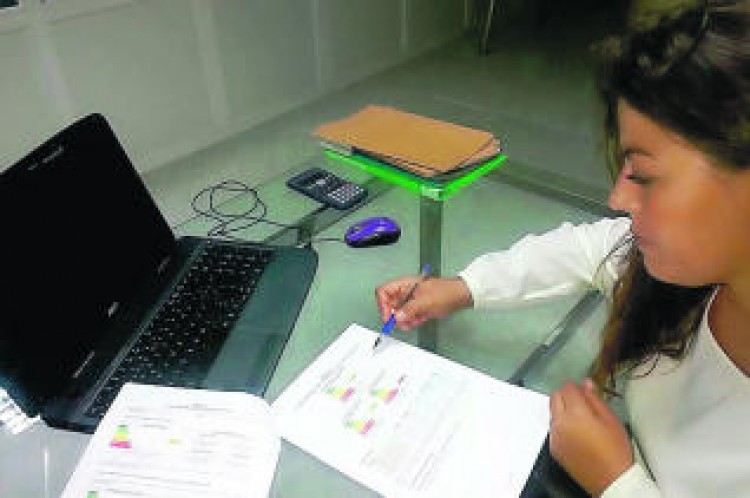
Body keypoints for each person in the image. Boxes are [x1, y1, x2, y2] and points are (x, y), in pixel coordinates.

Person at [375, 1, 750, 496]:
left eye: (644, 175)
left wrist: (617, 482)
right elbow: (588, 250)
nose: (618, 199)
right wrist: (462, 288)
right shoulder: (690, 278)